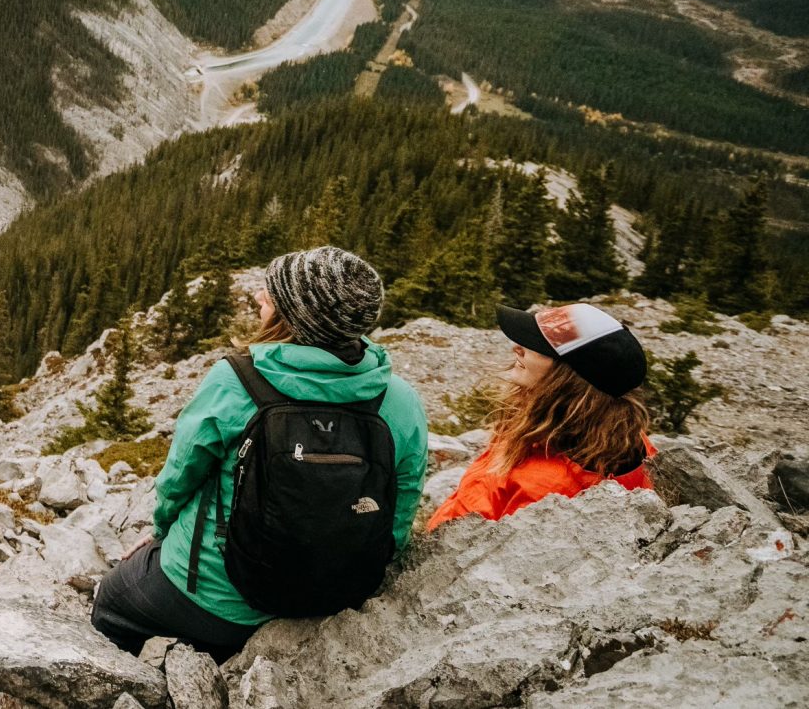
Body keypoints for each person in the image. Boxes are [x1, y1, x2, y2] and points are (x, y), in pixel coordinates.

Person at [91, 247, 429, 661]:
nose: (257, 297)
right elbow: (402, 504)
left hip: (216, 594)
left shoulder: (236, 381)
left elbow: (181, 475)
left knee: (111, 599)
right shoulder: (399, 400)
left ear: (295, 316)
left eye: (271, 294)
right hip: (335, 595)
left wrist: (160, 529)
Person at [428, 303, 651, 528]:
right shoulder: (627, 441)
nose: (517, 347)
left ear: (568, 378)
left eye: (538, 346)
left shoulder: (548, 491)